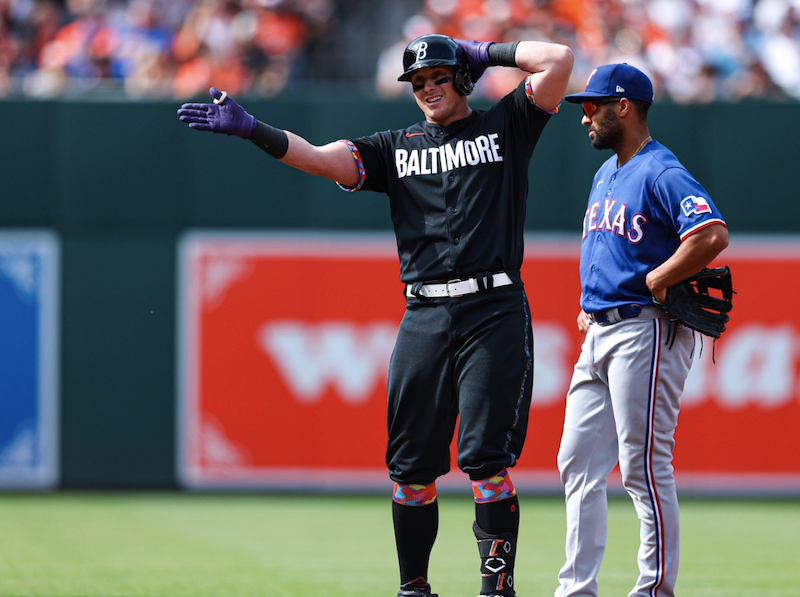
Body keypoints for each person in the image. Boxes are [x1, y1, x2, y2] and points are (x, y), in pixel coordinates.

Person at [178, 33, 573, 597]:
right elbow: (318, 158)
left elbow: (558, 60)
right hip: (426, 315)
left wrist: (480, 52)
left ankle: (496, 588)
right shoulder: (395, 145)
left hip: (493, 307)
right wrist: (252, 131)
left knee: (485, 460)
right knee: (410, 468)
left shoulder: (505, 125)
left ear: (461, 78)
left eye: (438, 76)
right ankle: (415, 587)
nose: (428, 89)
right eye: (418, 82)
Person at [555, 63, 730, 597]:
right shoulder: (606, 172)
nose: (584, 116)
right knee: (576, 463)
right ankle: (577, 589)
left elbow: (711, 234)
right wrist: (591, 303)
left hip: (644, 331)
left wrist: (659, 275)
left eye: (593, 105)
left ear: (624, 106)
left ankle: (654, 588)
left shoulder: (661, 170)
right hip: (600, 332)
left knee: (643, 467)